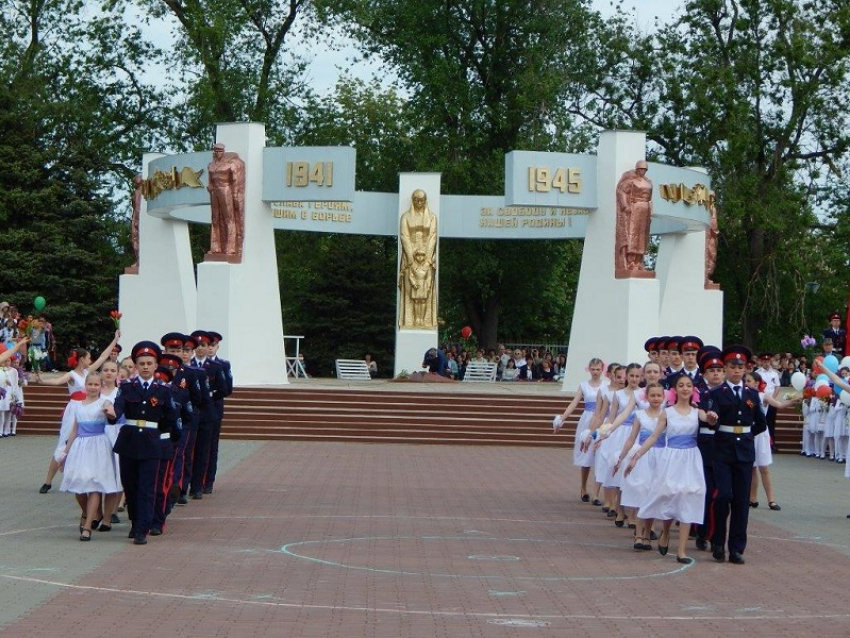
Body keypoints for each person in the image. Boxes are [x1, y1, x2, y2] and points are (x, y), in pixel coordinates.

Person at [626, 374, 707, 564]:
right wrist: (636, 456)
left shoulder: (697, 412)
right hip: (671, 457)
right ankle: (666, 531)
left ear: (693, 390)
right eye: (681, 385)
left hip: (691, 458)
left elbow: (709, 420)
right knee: (669, 493)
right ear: (675, 390)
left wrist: (711, 417)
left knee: (689, 495)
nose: (685, 388)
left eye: (689, 385)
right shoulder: (667, 413)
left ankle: (681, 551)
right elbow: (653, 437)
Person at [106, 341, 180, 545]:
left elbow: (171, 417)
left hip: (151, 442)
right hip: (129, 440)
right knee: (130, 486)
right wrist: (112, 415)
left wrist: (167, 439)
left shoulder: (163, 390)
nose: (146, 366)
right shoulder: (127, 387)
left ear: (156, 365)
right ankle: (135, 521)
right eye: (142, 363)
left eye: (149, 363)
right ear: (136, 366)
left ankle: (142, 529)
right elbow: (118, 408)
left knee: (147, 487)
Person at [703, 345, 768, 565]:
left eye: (740, 367)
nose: (736, 371)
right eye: (732, 366)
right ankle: (718, 540)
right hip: (722, 450)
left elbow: (760, 422)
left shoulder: (752, 394)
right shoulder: (715, 393)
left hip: (744, 451)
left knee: (741, 501)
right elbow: (712, 418)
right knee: (723, 496)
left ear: (746, 369)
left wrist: (747, 436)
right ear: (725, 369)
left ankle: (736, 548)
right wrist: (713, 419)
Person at [38, 330, 121, 494]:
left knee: (85, 441)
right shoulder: (72, 374)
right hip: (76, 409)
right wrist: (42, 380)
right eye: (89, 357)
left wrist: (115, 339)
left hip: (90, 407)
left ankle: (79, 474)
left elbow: (104, 357)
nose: (91, 360)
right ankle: (48, 480)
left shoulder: (88, 372)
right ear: (82, 359)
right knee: (65, 441)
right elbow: (56, 381)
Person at [57, 372, 121, 540]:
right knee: (78, 485)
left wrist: (110, 412)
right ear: (85, 385)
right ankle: (88, 513)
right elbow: (74, 430)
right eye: (90, 384)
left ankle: (87, 527)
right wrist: (65, 451)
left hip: (98, 446)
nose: (93, 387)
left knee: (93, 485)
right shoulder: (78, 405)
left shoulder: (104, 402)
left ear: (101, 386)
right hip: (80, 447)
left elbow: (112, 413)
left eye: (96, 385)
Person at [614, 382, 666, 551]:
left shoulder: (667, 415)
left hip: (661, 456)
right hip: (642, 458)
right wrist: (621, 458)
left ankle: (648, 533)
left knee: (653, 495)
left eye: (659, 395)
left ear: (664, 397)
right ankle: (638, 533)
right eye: (653, 395)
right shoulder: (640, 415)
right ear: (647, 397)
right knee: (641, 494)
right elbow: (631, 438)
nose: (656, 398)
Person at [745, 370, 799, 511]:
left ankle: (771, 500)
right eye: (745, 381)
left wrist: (792, 401)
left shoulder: (763, 396)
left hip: (761, 434)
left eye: (749, 381)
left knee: (764, 467)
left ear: (757, 383)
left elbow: (779, 405)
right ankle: (752, 498)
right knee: (752, 468)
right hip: (748, 432)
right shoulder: (742, 396)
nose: (746, 383)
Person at [555, 358, 604, 503]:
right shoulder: (584, 385)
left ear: (602, 370)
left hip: (602, 419)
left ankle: (597, 493)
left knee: (601, 456)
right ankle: (583, 487)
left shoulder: (606, 385)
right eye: (593, 369)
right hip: (587, 419)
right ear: (588, 369)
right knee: (586, 456)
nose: (595, 372)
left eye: (598, 369)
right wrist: (562, 418)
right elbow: (574, 403)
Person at [398, 189, 437, 328]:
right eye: (416, 200)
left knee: (425, 293)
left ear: (425, 201)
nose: (419, 203)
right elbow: (404, 236)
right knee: (411, 293)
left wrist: (427, 257)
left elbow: (432, 236)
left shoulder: (432, 217)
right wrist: (410, 257)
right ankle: (409, 321)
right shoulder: (405, 217)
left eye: (421, 200)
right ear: (412, 200)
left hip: (426, 256)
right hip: (410, 256)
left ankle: (423, 321)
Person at [207, 143, 246, 259]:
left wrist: (235, 195)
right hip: (214, 191)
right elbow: (210, 180)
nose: (218, 153)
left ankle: (231, 248)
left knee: (229, 218)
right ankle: (215, 247)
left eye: (220, 151)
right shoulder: (211, 165)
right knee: (215, 218)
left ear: (223, 152)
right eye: (216, 151)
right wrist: (209, 186)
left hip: (225, 189)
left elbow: (235, 180)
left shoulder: (230, 164)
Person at [615, 160, 653, 272]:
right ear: (637, 170)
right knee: (633, 233)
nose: (643, 171)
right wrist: (625, 205)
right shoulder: (631, 181)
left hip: (645, 209)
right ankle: (630, 260)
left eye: (644, 170)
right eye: (641, 169)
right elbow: (621, 191)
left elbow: (650, 198)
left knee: (642, 235)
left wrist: (651, 210)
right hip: (635, 208)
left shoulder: (649, 183)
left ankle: (638, 260)